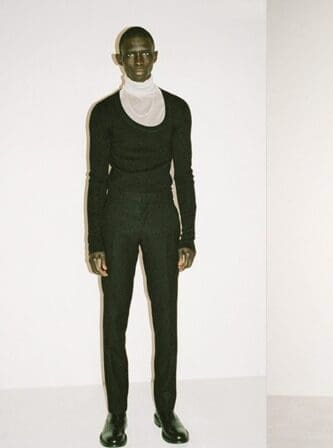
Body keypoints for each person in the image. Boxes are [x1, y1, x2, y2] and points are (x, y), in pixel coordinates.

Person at [87, 26, 195, 447]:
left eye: (144, 52)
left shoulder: (178, 109)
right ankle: (117, 413)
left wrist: (188, 235)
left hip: (162, 219)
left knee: (166, 317)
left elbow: (183, 175)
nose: (138, 60)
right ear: (119, 59)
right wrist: (95, 242)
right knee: (115, 319)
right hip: (118, 217)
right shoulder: (104, 113)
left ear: (155, 56)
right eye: (130, 54)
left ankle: (166, 409)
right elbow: (97, 179)